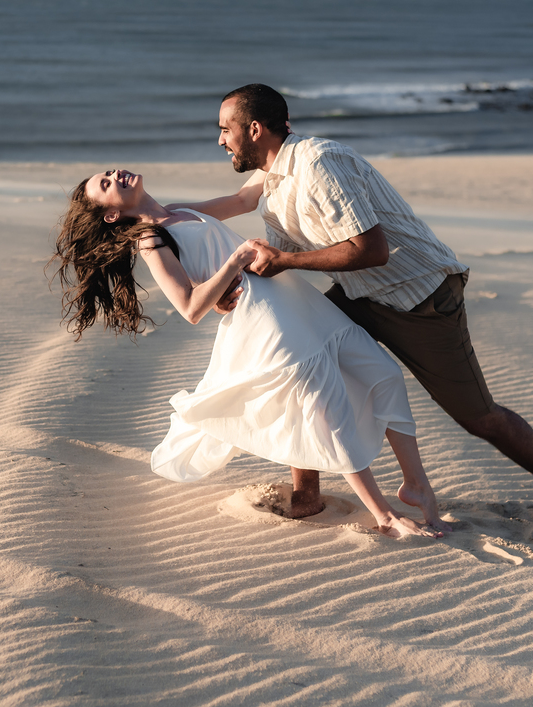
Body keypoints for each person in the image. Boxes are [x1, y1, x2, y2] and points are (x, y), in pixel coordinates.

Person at [206, 83, 533, 525]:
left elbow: (373, 250)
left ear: (254, 129)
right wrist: (164, 228)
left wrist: (287, 261)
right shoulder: (275, 179)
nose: (221, 140)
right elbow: (255, 232)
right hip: (361, 294)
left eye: (225, 129)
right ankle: (307, 493)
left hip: (421, 296)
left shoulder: (317, 164)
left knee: (478, 416)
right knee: (300, 356)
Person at [51, 168, 447, 538]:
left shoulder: (180, 212)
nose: (113, 175)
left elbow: (244, 199)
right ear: (112, 215)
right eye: (105, 185)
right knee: (328, 413)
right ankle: (384, 515)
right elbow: (189, 307)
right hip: (269, 322)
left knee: (384, 374)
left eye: (107, 173)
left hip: (303, 305)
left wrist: (283, 144)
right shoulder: (150, 239)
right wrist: (235, 261)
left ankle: (415, 485)